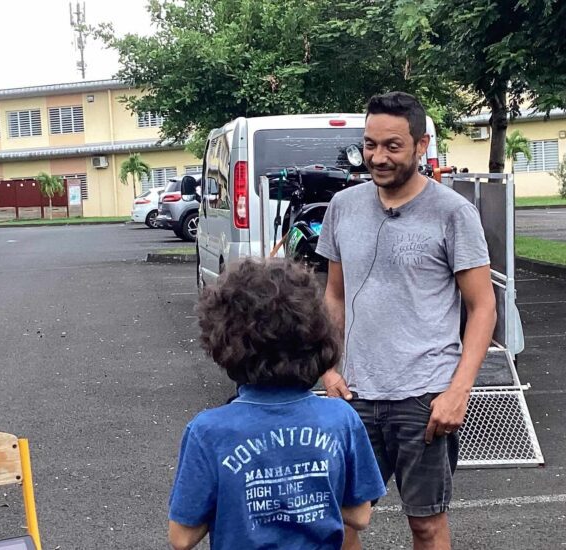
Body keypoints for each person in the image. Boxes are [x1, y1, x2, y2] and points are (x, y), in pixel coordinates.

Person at [315, 91, 497, 550]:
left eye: (393, 146)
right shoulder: (343, 207)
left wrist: (458, 392)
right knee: (340, 521)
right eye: (370, 144)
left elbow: (483, 307)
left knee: (426, 525)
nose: (378, 157)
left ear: (421, 145)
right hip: (354, 396)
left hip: (425, 399)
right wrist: (327, 368)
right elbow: (333, 295)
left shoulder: (453, 213)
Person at [169, 259, 387, 550]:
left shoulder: (208, 431)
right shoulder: (340, 417)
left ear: (223, 340)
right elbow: (360, 515)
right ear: (316, 335)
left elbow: (181, 537)